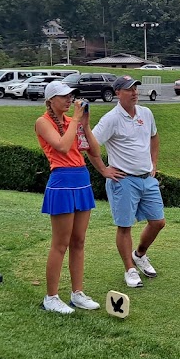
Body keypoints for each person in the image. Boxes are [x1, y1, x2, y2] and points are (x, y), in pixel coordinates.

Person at [89, 75, 165, 289]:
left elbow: (154, 137)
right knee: (125, 226)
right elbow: (90, 145)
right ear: (117, 93)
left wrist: (154, 163)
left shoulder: (146, 113)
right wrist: (104, 170)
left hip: (146, 178)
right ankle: (129, 269)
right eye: (129, 89)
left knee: (158, 222)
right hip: (122, 180)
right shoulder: (111, 119)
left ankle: (139, 254)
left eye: (135, 88)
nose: (134, 93)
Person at [35, 81, 101, 314]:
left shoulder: (71, 122)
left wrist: (86, 125)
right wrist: (75, 119)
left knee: (79, 241)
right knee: (60, 243)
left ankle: (77, 293)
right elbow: (62, 147)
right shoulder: (43, 122)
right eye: (63, 96)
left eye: (70, 96)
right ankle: (51, 297)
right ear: (51, 100)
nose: (69, 99)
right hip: (62, 182)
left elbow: (94, 150)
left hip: (81, 179)